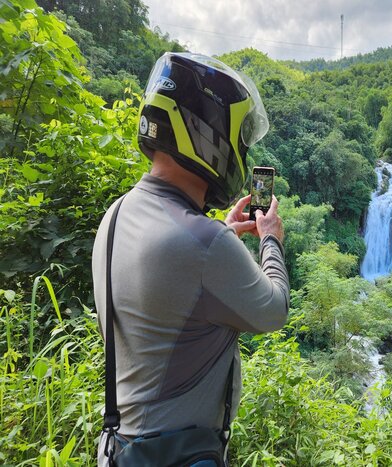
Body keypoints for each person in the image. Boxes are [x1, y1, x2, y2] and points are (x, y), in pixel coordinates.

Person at [91, 53, 289, 465]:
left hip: (120, 448)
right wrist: (270, 240)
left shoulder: (116, 215)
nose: (240, 150)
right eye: (239, 139)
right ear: (208, 134)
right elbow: (273, 312)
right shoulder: (203, 243)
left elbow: (167, 284)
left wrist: (222, 232)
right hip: (180, 454)